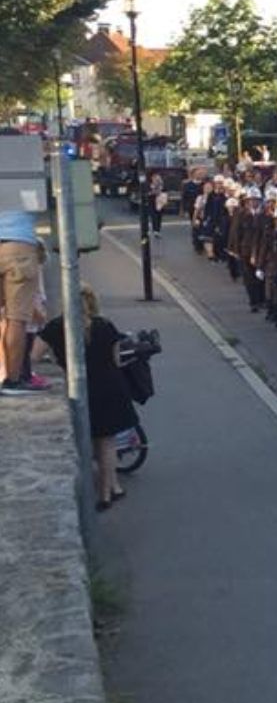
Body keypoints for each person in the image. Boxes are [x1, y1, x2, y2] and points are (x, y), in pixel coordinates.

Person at [39, 284, 134, 508]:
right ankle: (107, 492)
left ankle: (109, 490)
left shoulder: (56, 326)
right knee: (107, 442)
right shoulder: (105, 325)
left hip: (81, 390)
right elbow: (117, 360)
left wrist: (56, 360)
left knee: (90, 439)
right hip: (110, 389)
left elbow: (34, 354)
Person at [0, 206, 47, 394]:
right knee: (16, 319)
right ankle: (13, 380)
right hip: (19, 245)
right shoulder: (24, 178)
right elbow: (40, 203)